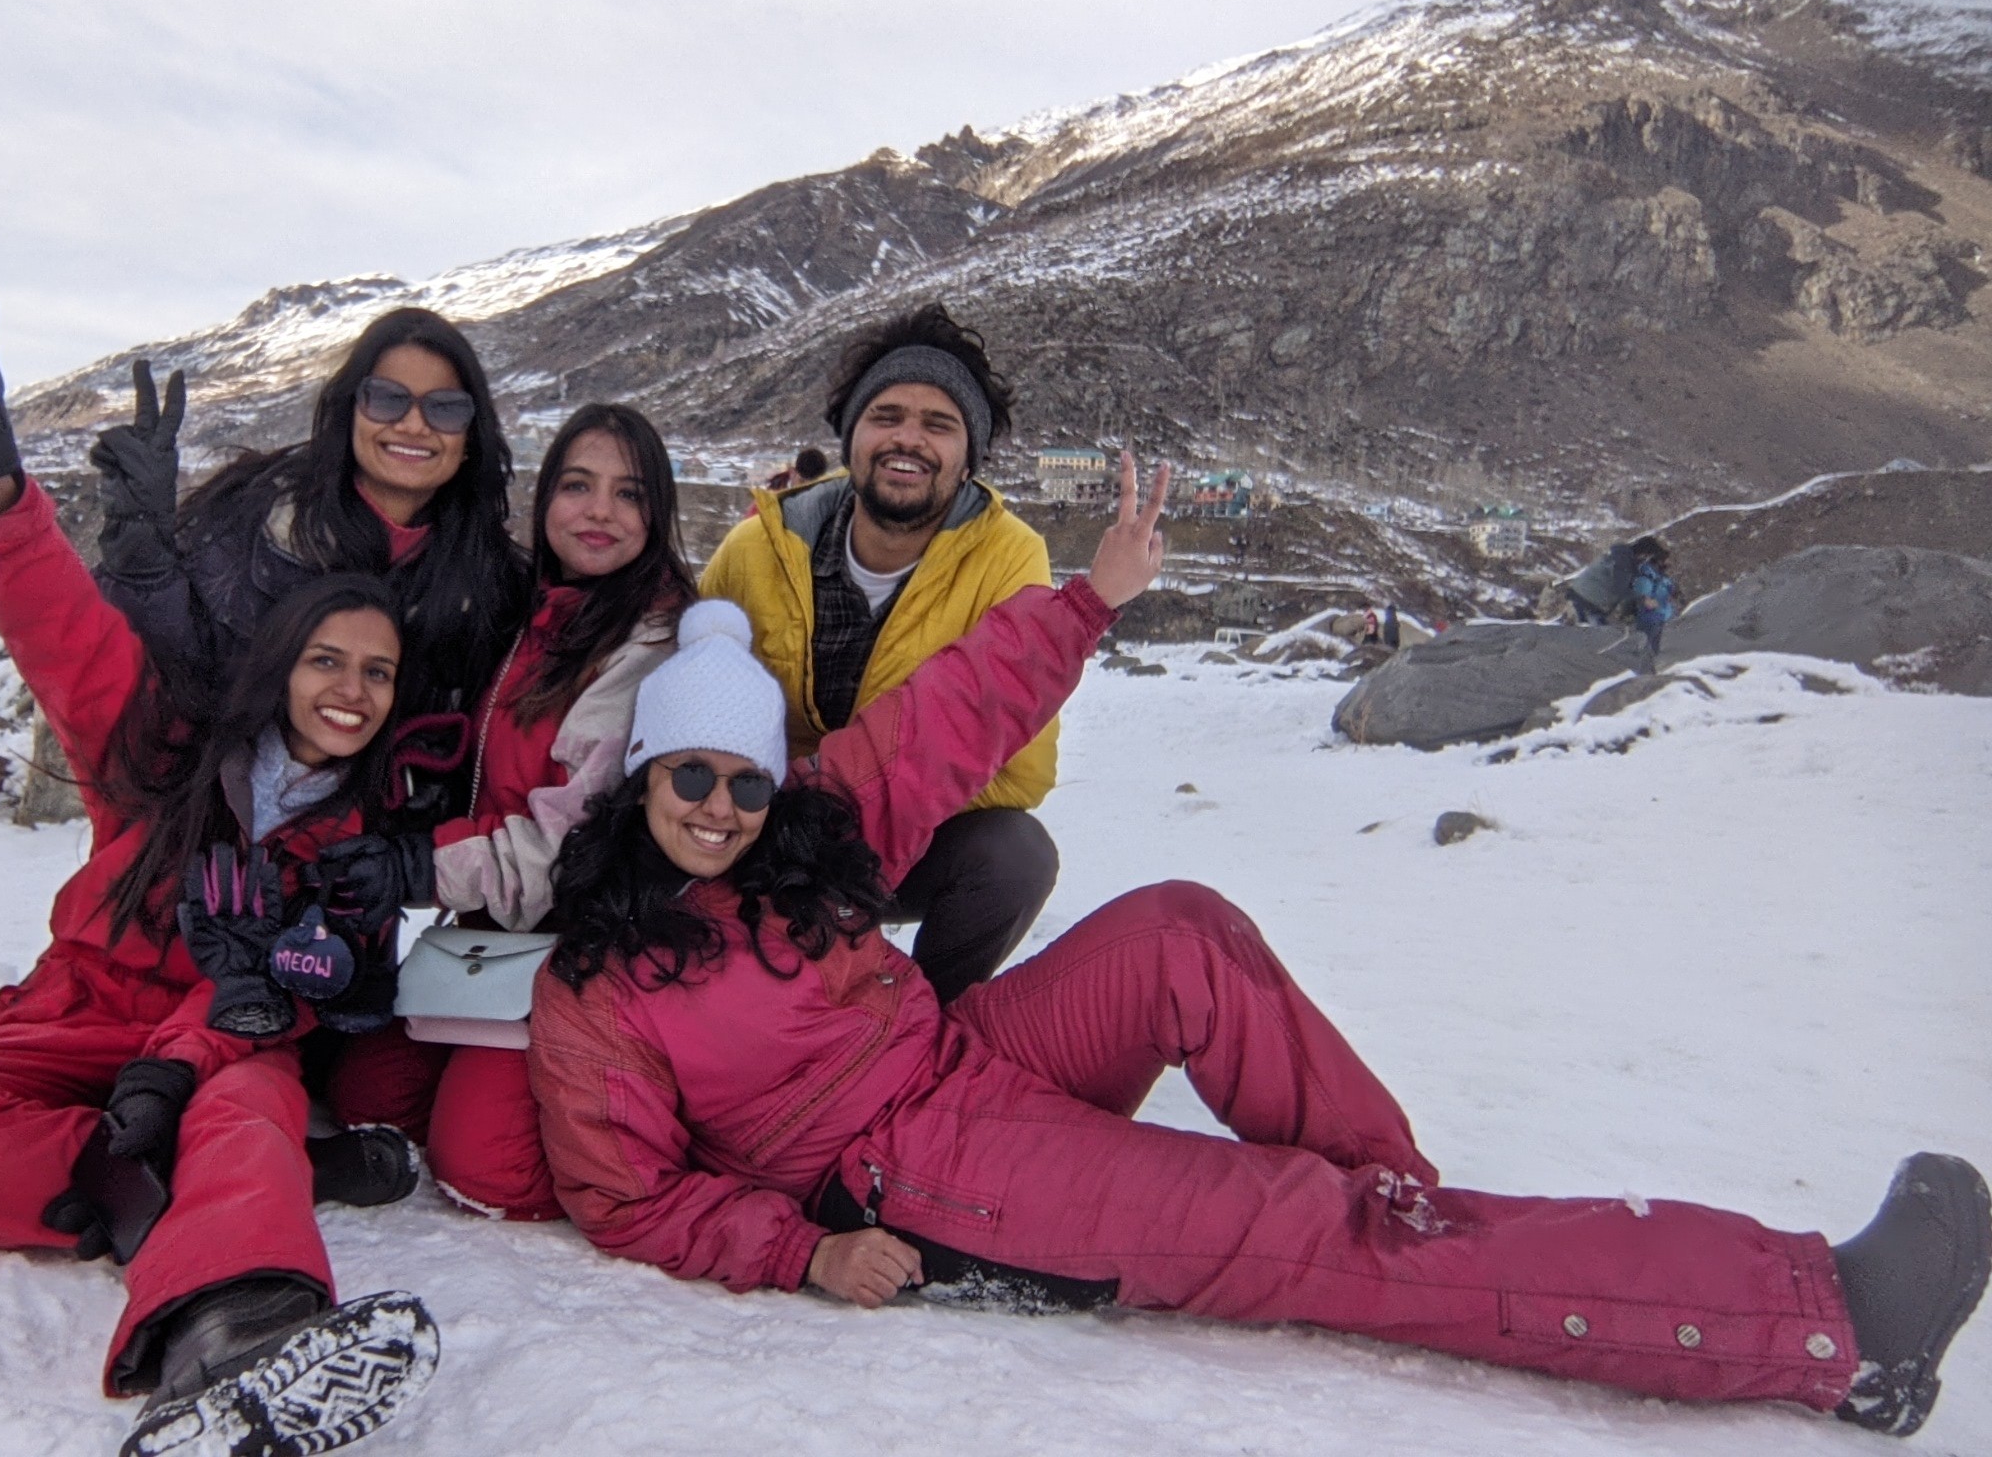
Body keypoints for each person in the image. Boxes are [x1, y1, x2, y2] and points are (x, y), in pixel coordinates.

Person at [529, 449, 1988, 1440]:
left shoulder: (817, 822)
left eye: (741, 778)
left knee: (1182, 933)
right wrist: (805, 1254)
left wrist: (1093, 595)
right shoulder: (595, 985)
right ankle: (1828, 1328)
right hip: (902, 1174)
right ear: (643, 783)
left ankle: (1401, 1214)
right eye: (689, 780)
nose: (720, 808)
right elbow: (632, 1203)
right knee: (1293, 1230)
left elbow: (962, 701)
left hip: (958, 1064)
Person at [0, 248, 439, 1457]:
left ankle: (240, 1330)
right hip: (76, 1013)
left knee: (243, 1106)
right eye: (328, 660)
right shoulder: (161, 746)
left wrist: (179, 1068)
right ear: (281, 662)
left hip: (226, 1038)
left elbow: (294, 996)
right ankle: (185, 1189)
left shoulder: (361, 840)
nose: (350, 690)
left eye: (377, 673)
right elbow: (54, 625)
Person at [312, 403, 695, 1220]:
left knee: (489, 1170)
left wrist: (422, 866)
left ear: (658, 515)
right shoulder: (529, 616)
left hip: (586, 939)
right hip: (493, 930)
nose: (598, 512)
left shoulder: (650, 647)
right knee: (366, 1100)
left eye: (628, 495)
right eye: (577, 486)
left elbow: (575, 838)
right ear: (544, 499)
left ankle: (634, 1094)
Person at [699, 303, 1057, 1003]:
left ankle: (930, 1021)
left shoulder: (1010, 559)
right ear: (852, 434)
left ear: (967, 454)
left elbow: (1022, 769)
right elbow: (687, 710)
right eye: (887, 415)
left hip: (912, 836)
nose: (909, 439)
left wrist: (853, 794)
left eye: (938, 423)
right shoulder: (757, 550)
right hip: (756, 832)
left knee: (1015, 856)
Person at [92, 304, 530, 776]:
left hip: (389, 836)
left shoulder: (494, 581)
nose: (414, 425)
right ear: (350, 411)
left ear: (471, 435)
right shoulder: (255, 519)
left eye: (445, 408)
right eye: (386, 399)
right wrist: (140, 561)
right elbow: (167, 668)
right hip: (226, 810)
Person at [1631, 535, 1679, 659]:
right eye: (1664, 559)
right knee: (1649, 650)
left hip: (1660, 618)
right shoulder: (1647, 575)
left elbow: (1670, 589)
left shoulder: (1660, 577)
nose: (1667, 563)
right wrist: (1648, 602)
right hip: (1650, 619)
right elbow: (1642, 596)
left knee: (1654, 649)